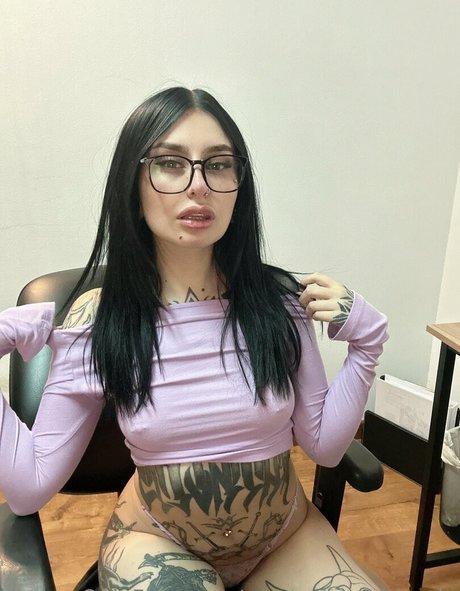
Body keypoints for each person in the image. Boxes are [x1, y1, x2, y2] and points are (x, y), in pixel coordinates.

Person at [0, 87, 388, 591]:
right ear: (133, 183)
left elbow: (327, 448)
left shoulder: (279, 301)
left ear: (238, 185)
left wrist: (366, 343)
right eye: (170, 163)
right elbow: (29, 488)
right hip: (157, 543)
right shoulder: (100, 319)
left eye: (219, 164)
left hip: (285, 538)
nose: (199, 185)